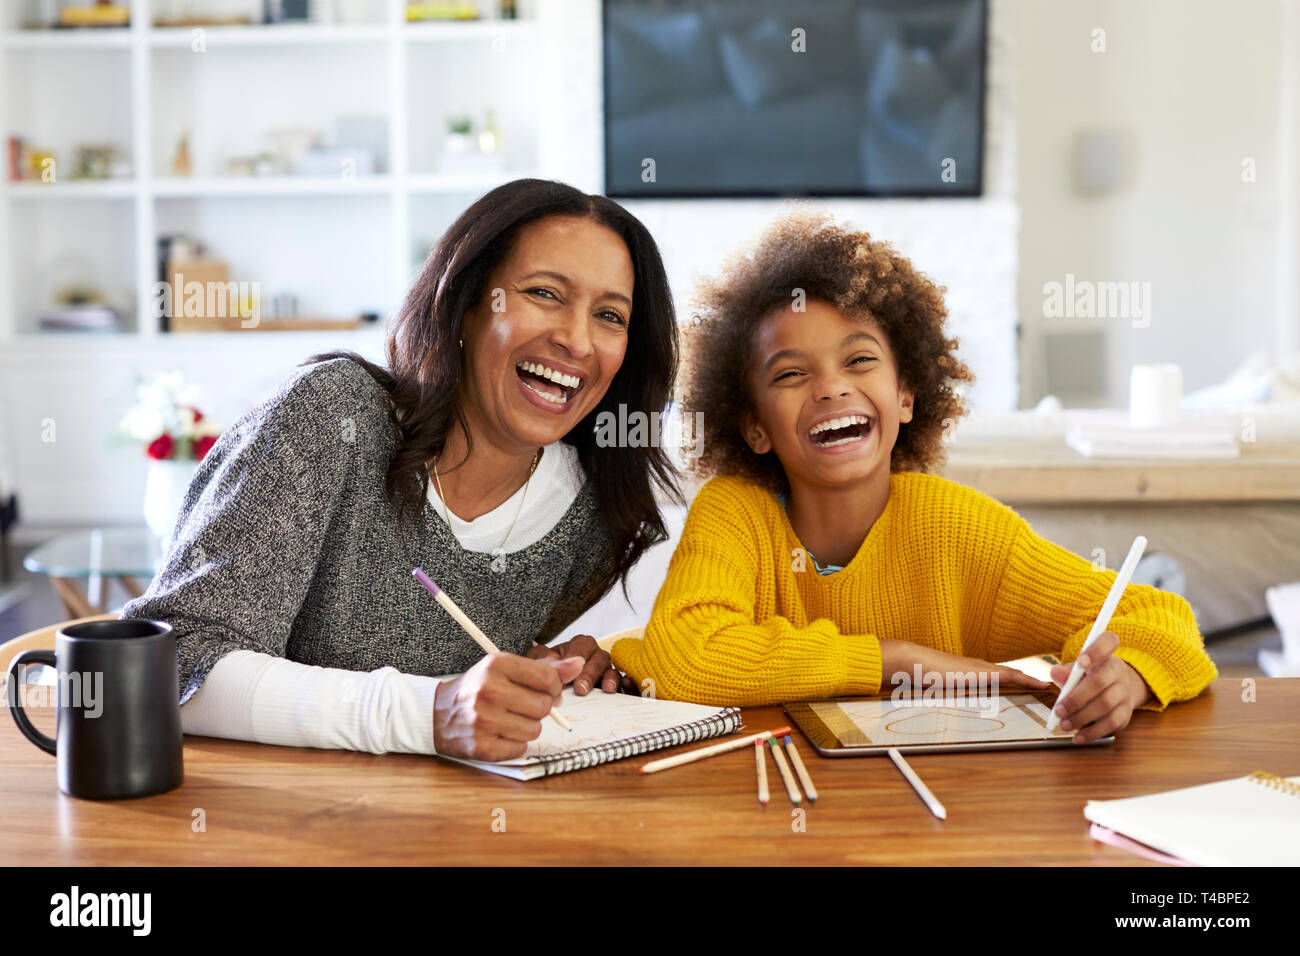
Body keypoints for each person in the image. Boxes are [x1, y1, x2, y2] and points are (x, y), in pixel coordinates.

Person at [123, 178, 680, 761]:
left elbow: (458, 672)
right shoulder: (331, 418)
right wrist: (429, 714)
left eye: (611, 316)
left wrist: (528, 676)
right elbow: (174, 663)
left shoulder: (592, 514)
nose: (576, 340)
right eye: (544, 293)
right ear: (465, 302)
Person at [612, 209, 1218, 743]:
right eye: (791, 374)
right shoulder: (734, 511)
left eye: (859, 360)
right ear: (753, 428)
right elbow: (686, 658)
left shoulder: (957, 527)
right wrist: (897, 658)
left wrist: (1129, 677)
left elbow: (1160, 615)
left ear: (905, 395)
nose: (831, 386)